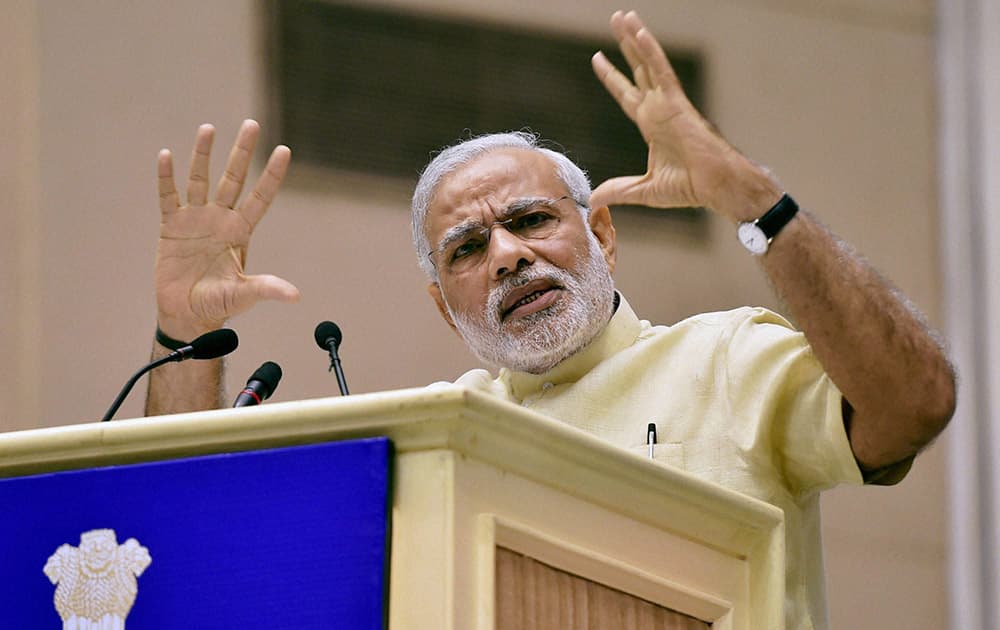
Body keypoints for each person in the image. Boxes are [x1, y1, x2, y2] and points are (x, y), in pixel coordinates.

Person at [144, 10, 955, 629]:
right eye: (467, 249)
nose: (506, 255)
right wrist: (184, 334)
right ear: (444, 305)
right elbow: (188, 541)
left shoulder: (727, 360)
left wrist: (753, 201)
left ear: (601, 233)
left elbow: (916, 402)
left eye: (532, 221)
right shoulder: (440, 437)